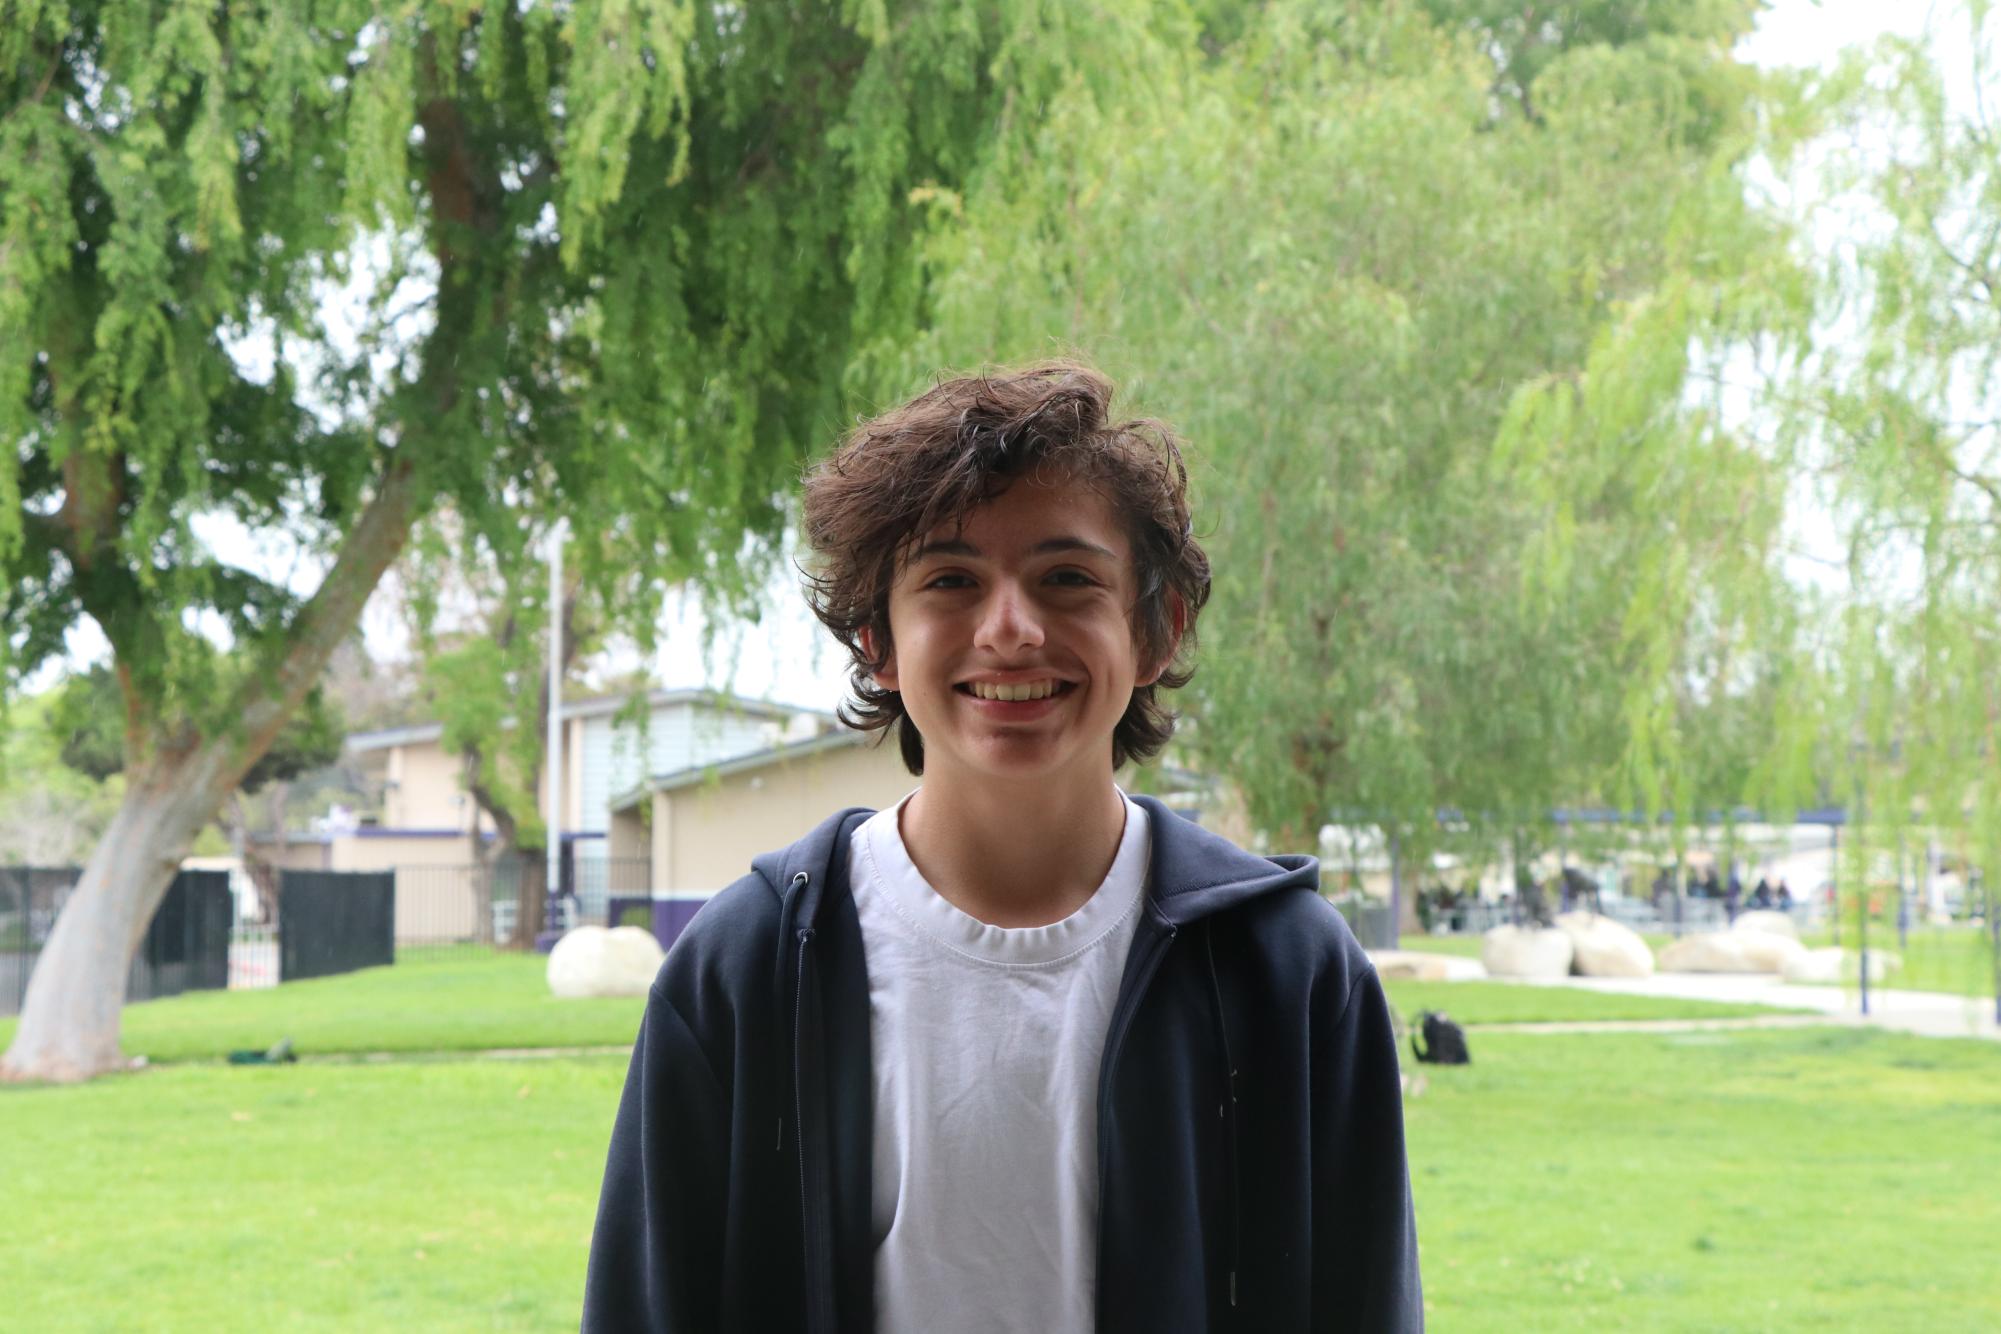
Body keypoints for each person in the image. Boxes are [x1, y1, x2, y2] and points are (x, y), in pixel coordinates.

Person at [581, 363, 1422, 1332]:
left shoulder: (1292, 973)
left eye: (1068, 578)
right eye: (951, 580)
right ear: (877, 643)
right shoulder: (744, 972)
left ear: (1157, 628)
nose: (1012, 629)